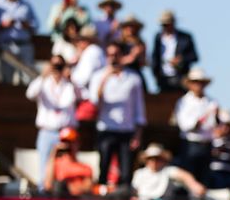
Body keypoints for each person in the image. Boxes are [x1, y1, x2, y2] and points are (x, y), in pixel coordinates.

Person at [89, 41, 147, 188]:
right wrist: (105, 79)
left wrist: (137, 134)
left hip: (127, 131)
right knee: (104, 169)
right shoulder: (98, 76)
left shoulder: (134, 78)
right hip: (106, 129)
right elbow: (95, 102)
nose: (113, 58)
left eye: (116, 55)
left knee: (126, 173)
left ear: (122, 56)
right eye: (109, 55)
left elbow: (139, 109)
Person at [25, 54, 79, 189]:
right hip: (47, 132)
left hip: (66, 134)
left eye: (60, 66)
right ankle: (43, 197)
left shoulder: (68, 84)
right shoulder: (44, 82)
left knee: (67, 168)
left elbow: (84, 96)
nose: (57, 69)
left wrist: (71, 80)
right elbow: (30, 94)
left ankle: (64, 196)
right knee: (44, 168)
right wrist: (43, 75)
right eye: (54, 65)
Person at [173, 68, 218, 184]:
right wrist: (196, 123)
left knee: (204, 179)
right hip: (190, 144)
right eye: (196, 82)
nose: (199, 85)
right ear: (190, 84)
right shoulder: (183, 102)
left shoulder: (211, 102)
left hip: (207, 145)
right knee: (190, 178)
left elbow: (214, 124)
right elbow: (184, 125)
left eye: (201, 82)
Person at [0, 0, 39, 85]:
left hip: (25, 45)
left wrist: (28, 25)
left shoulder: (26, 5)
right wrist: (2, 25)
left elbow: (36, 24)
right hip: (6, 45)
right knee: (7, 79)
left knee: (28, 78)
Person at [131, 143, 207, 200]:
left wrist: (194, 184)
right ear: (146, 160)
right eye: (151, 159)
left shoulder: (167, 171)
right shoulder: (139, 173)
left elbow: (184, 175)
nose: (154, 162)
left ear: (162, 160)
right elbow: (134, 192)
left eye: (157, 158)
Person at [151, 10, 198, 91]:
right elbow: (155, 58)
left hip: (181, 77)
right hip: (163, 79)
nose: (165, 27)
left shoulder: (185, 37)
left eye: (167, 24)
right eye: (163, 25)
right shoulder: (158, 38)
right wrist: (156, 75)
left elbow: (194, 57)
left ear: (173, 23)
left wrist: (181, 60)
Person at [43, 127, 94, 197]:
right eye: (64, 142)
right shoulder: (56, 164)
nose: (68, 145)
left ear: (77, 143)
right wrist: (53, 153)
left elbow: (88, 188)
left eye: (71, 142)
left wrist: (70, 187)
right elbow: (48, 186)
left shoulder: (85, 167)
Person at [71, 25, 106, 100]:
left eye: (81, 40)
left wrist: (70, 78)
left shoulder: (91, 51)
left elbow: (83, 79)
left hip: (89, 99)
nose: (79, 43)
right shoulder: (96, 51)